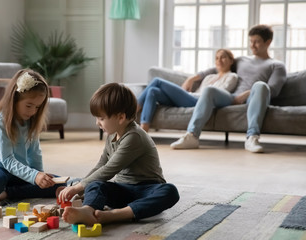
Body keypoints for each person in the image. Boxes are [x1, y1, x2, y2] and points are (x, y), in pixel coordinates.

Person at [57, 83, 180, 226]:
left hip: (146, 189)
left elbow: (109, 169)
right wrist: (82, 184)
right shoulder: (111, 135)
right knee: (95, 184)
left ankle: (116, 215)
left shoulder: (134, 137)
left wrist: (78, 187)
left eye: (101, 118)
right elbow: (101, 165)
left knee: (170, 191)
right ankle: (88, 210)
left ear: (121, 117)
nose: (97, 123)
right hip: (123, 189)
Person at [170, 24, 287, 153]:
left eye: (257, 42)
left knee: (261, 85)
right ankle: (192, 135)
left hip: (253, 98)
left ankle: (252, 137)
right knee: (209, 90)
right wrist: (192, 78)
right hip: (231, 97)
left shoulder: (277, 65)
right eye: (251, 41)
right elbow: (218, 67)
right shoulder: (242, 60)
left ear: (268, 42)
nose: (252, 45)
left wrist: (246, 94)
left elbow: (273, 90)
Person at [0, 69, 67, 202]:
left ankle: (7, 193)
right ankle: (4, 190)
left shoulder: (31, 122)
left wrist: (39, 176)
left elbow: (35, 153)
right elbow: (7, 161)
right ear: (14, 99)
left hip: (16, 171)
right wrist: (34, 177)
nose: (33, 111)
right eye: (29, 105)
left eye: (37, 107)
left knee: (58, 183)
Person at [137, 49, 238, 132]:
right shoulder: (209, 77)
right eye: (217, 58)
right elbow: (198, 91)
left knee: (157, 81)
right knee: (153, 91)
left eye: (223, 57)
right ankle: (144, 128)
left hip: (199, 102)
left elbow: (219, 93)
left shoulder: (232, 76)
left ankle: (134, 108)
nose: (219, 60)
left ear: (231, 61)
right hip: (191, 96)